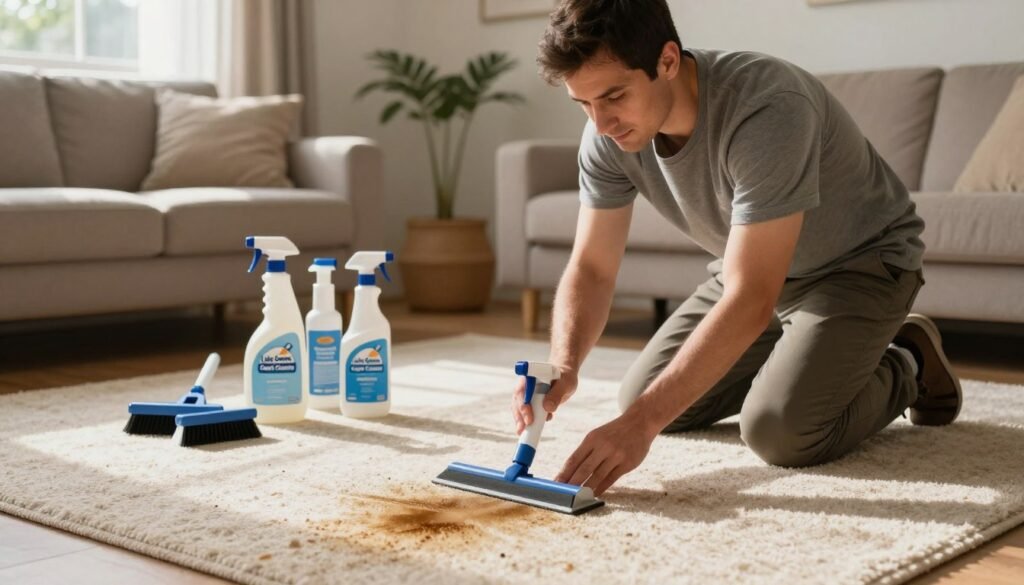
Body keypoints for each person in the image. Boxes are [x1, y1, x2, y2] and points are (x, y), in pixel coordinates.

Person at [510, 0, 962, 498]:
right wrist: (565, 363)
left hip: (858, 268)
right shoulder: (607, 137)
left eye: (614, 96)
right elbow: (593, 267)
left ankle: (908, 360)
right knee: (640, 396)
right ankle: (803, 364)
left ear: (666, 61)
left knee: (778, 431)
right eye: (584, 104)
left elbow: (750, 298)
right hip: (749, 272)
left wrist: (640, 426)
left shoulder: (768, 107)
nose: (601, 124)